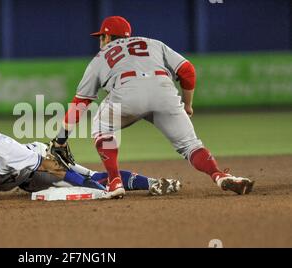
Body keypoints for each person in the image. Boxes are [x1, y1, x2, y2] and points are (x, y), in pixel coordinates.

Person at [50, 16, 254, 199]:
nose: (100, 42)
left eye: (101, 37)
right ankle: (219, 175)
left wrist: (61, 139)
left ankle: (115, 181)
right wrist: (187, 105)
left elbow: (80, 103)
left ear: (107, 36)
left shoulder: (99, 58)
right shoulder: (153, 43)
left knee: (101, 127)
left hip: (127, 94)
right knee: (191, 144)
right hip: (163, 90)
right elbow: (188, 71)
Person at [0, 101, 181, 204]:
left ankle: (152, 183)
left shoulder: (2, 150)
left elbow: (53, 168)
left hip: (38, 165)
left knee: (97, 180)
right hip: (24, 178)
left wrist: (93, 189)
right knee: (87, 181)